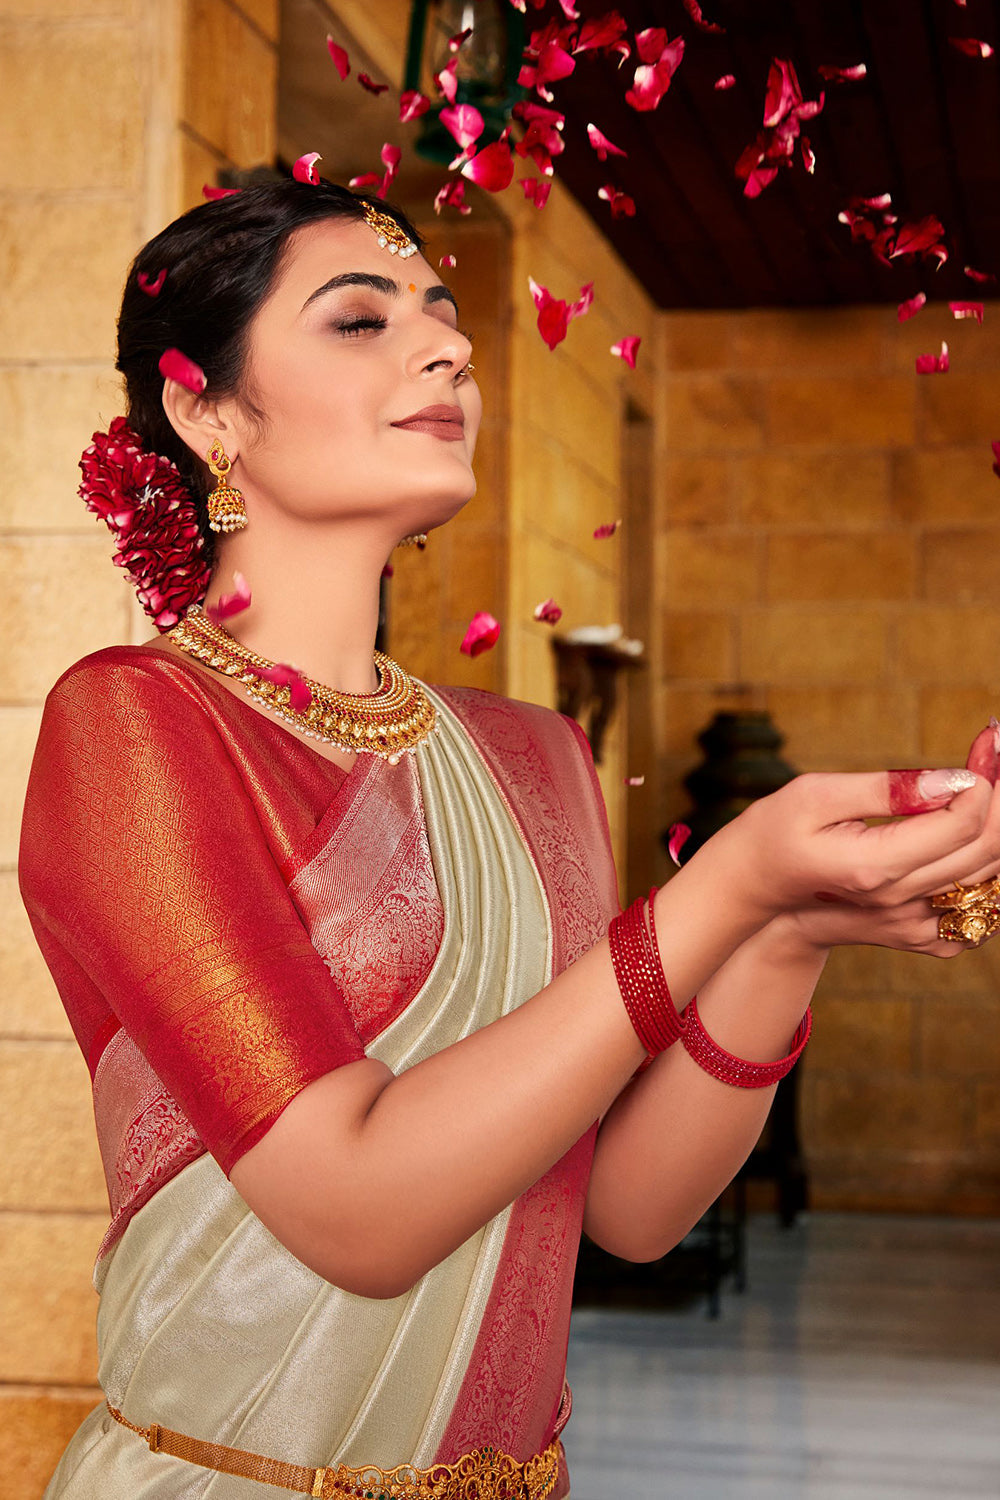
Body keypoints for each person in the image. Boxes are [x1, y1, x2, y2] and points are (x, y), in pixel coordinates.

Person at [18, 179, 1000, 1500]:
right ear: (206, 410)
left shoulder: (532, 756)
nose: (447, 348)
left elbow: (627, 1211)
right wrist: (729, 882)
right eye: (360, 320)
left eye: (444, 315)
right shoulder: (135, 724)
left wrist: (786, 933)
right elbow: (359, 1212)